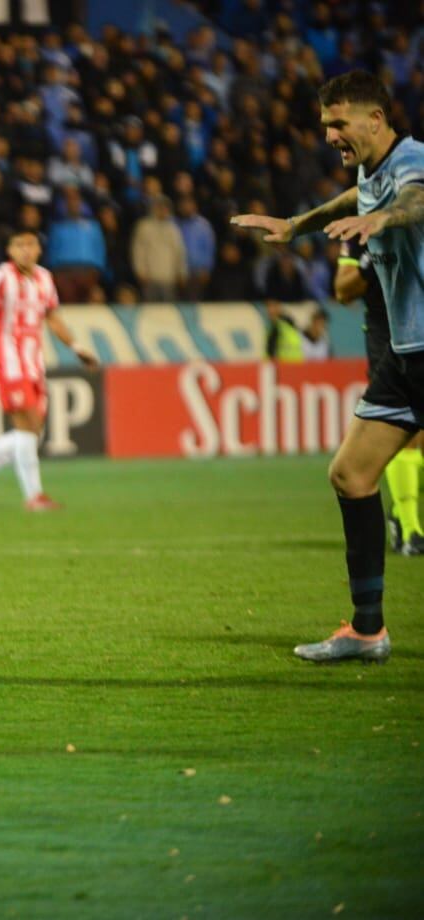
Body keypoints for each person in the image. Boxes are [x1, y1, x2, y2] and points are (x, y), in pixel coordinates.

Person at [233, 71, 424, 663]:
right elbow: (355, 198)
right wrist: (297, 225)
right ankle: (368, 631)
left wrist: (384, 220)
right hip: (403, 356)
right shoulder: (371, 172)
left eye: (339, 124)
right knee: (350, 476)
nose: (331, 135)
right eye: (325, 126)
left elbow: (415, 199)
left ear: (376, 118)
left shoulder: (414, 160)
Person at [0, 231, 98, 512]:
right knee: (27, 425)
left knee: (32, 432)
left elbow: (53, 318)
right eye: (19, 245)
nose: (25, 250)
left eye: (30, 244)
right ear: (10, 250)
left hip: (34, 363)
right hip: (7, 361)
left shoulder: (45, 278)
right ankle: (34, 497)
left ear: (38, 250)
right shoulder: (0, 276)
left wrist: (76, 346)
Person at [336, 240, 424, 555]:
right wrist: (370, 263)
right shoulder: (360, 233)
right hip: (386, 335)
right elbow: (342, 290)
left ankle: (402, 515)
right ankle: (412, 530)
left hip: (419, 332)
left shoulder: (411, 216)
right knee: (408, 434)